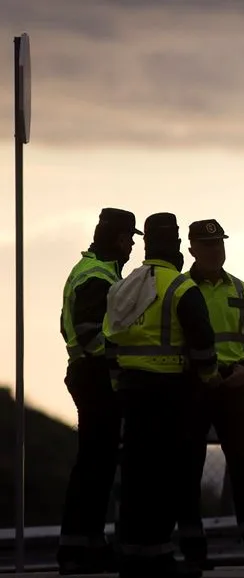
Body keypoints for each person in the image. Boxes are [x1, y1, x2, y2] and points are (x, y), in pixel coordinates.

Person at [103, 213, 221, 578]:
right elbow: (203, 343)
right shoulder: (181, 288)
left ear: (148, 244)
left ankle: (132, 557)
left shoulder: (125, 286)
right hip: (171, 394)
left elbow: (109, 339)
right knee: (166, 479)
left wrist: (118, 382)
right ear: (176, 247)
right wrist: (208, 377)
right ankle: (159, 558)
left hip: (131, 393)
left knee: (136, 477)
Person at [176, 219, 244, 571]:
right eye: (207, 245)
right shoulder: (180, 289)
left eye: (219, 244)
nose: (215, 251)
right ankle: (195, 554)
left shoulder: (240, 289)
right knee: (188, 471)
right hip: (194, 388)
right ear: (191, 249)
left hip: (234, 389)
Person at [57, 208, 141, 574]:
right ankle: (78, 551)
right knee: (94, 467)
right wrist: (122, 359)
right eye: (131, 237)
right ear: (120, 239)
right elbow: (91, 334)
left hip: (88, 374)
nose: (134, 243)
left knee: (98, 466)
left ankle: (86, 546)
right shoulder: (98, 277)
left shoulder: (92, 271)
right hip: (96, 377)